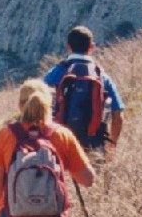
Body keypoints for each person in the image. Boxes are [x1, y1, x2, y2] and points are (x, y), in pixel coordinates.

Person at [0, 80, 95, 217]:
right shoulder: (62, 135)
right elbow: (88, 180)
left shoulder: (4, 135)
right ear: (49, 104)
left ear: (20, 105)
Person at [42, 26, 125, 154]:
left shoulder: (55, 73)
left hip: (59, 143)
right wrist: (112, 145)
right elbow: (118, 114)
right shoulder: (101, 76)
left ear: (68, 47)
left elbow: (35, 106)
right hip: (93, 144)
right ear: (92, 47)